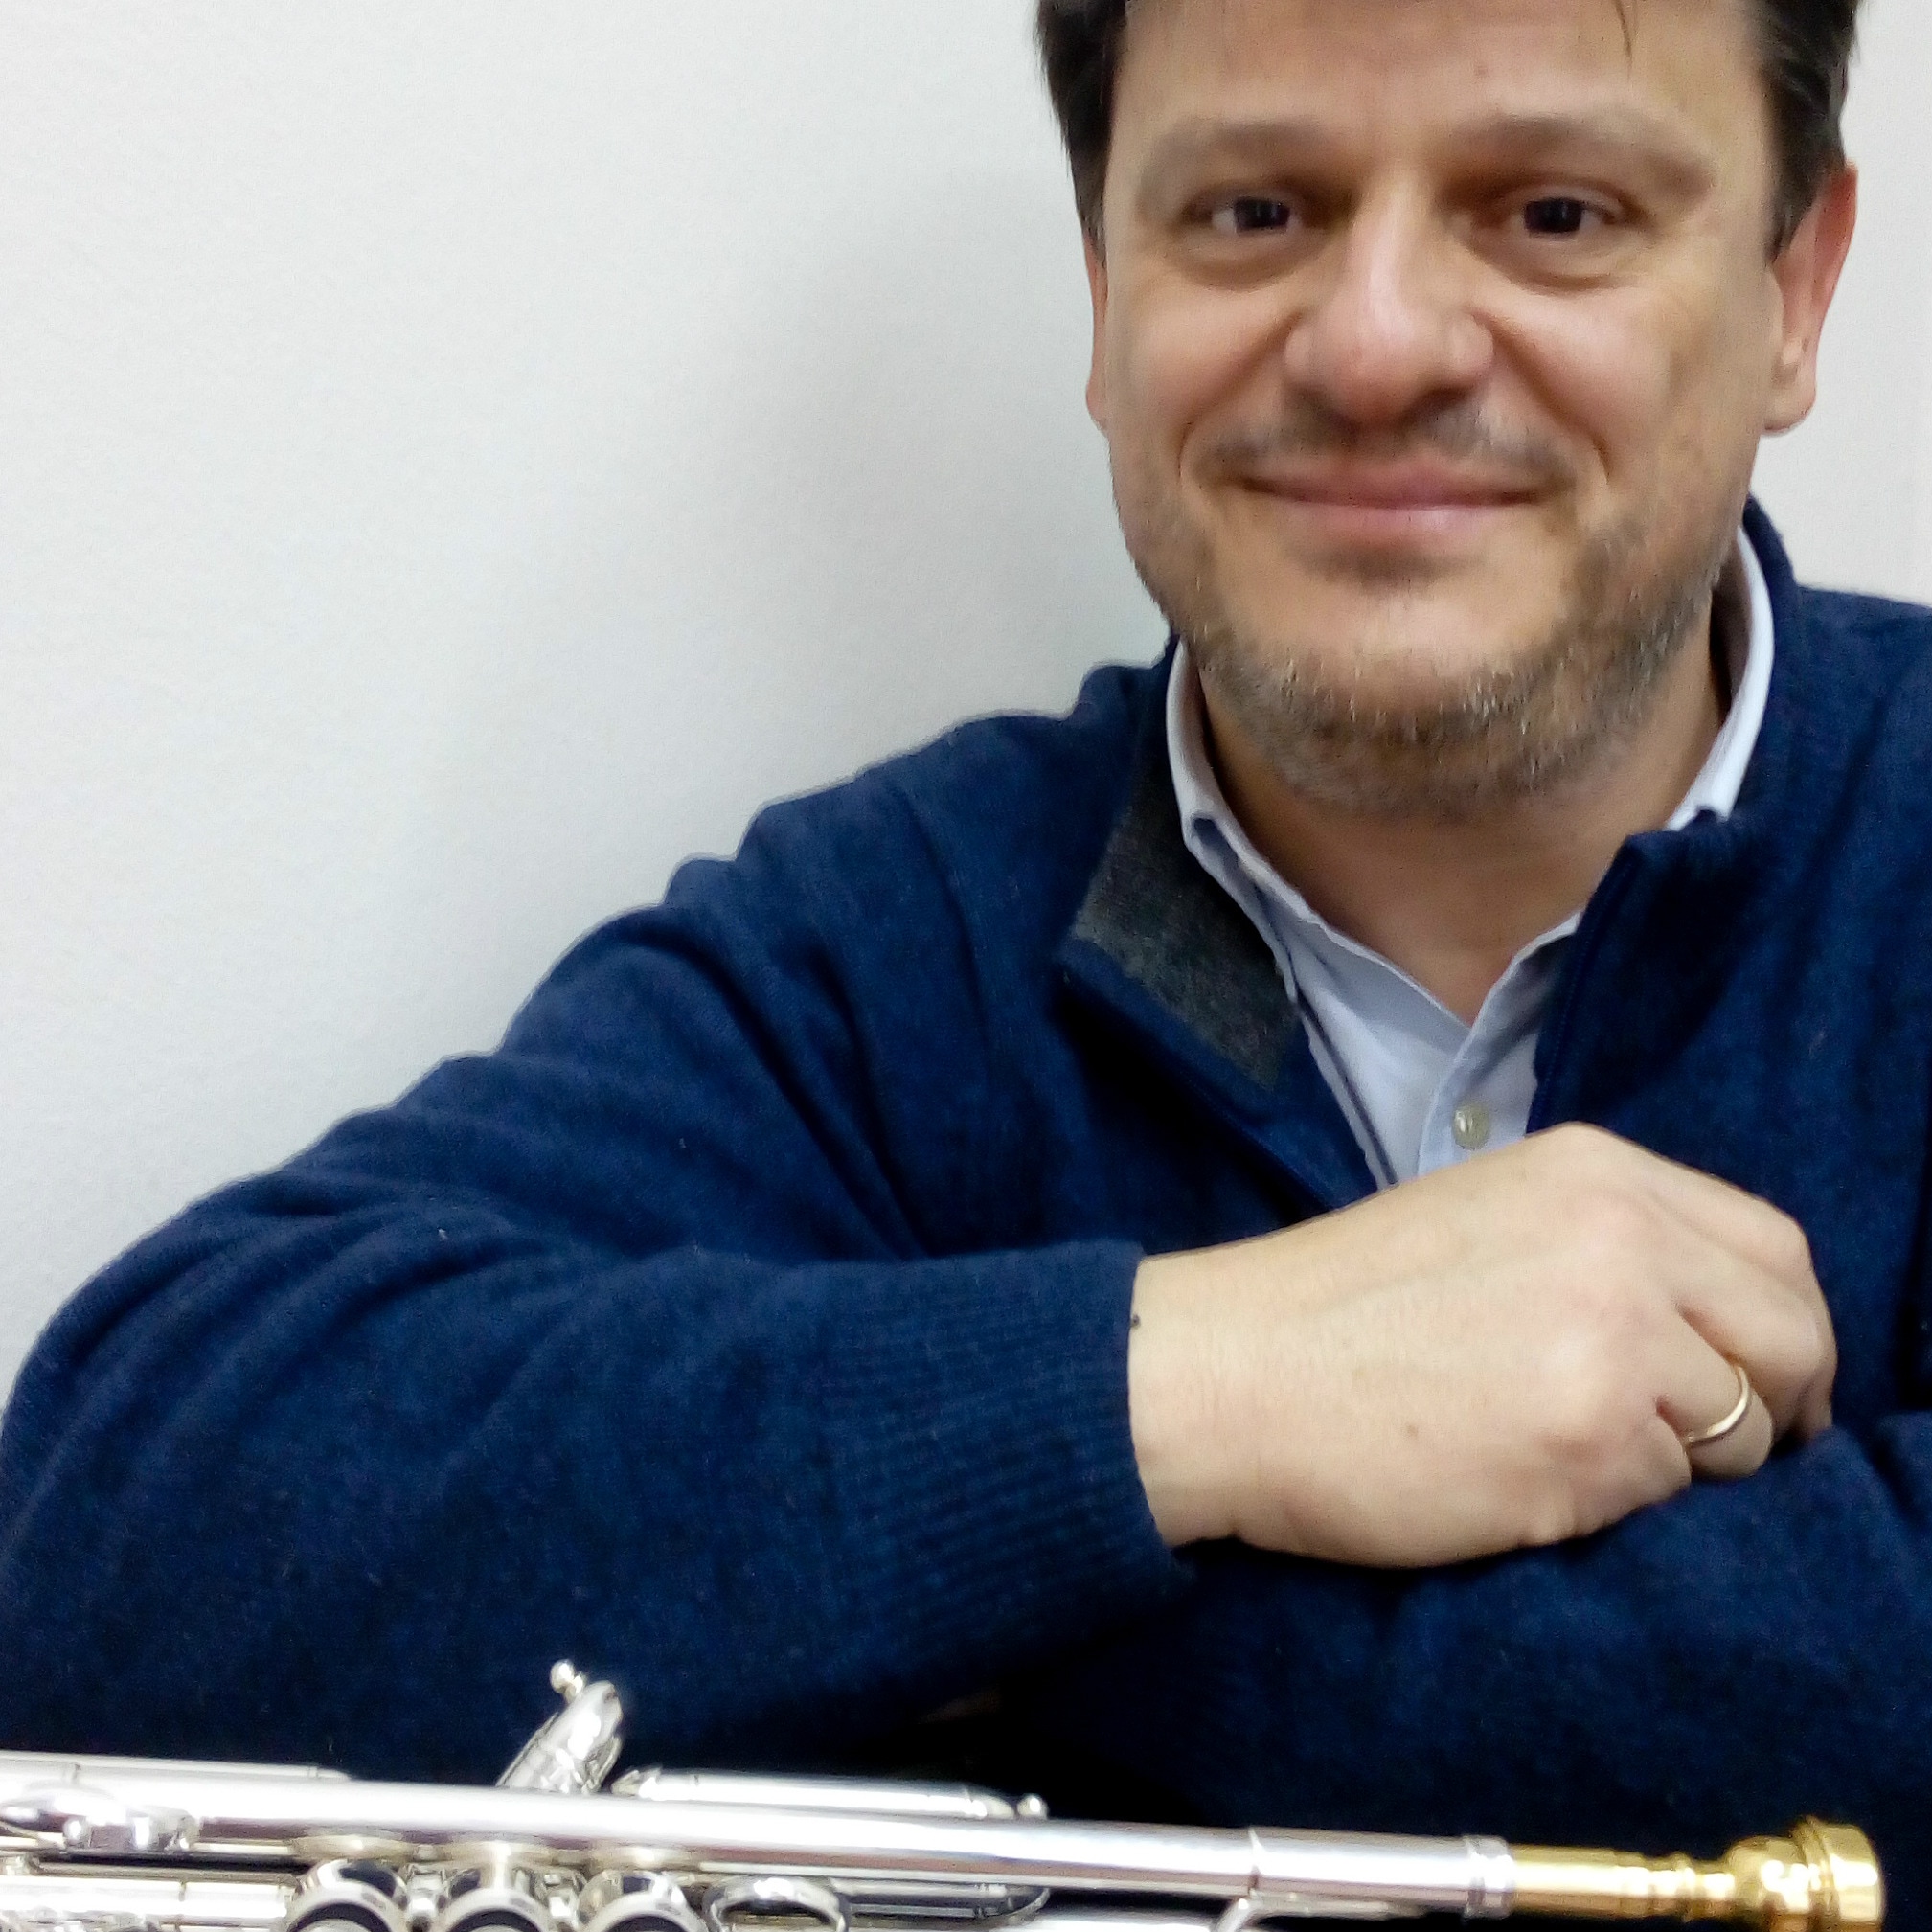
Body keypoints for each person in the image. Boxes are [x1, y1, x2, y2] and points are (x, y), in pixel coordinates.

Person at [4, 0, 1927, 1914]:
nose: (1373, 345)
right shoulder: (890, 937)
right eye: (1253, 213)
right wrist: (1202, 1386)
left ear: (1795, 287)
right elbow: (110, 1558)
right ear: (1101, 287)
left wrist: (965, 1634)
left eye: (1556, 215)